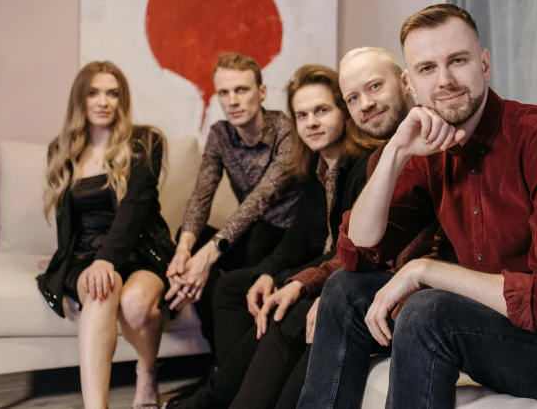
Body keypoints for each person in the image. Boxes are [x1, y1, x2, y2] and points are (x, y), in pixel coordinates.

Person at [298, 4, 537, 408]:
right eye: (427, 68)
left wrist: (424, 269)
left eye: (457, 61)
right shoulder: (430, 146)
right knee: (342, 289)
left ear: (484, 64)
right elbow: (356, 252)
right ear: (410, 84)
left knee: (429, 313)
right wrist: (395, 152)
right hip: (511, 327)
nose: (445, 80)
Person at [167, 64, 379, 409]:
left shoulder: (362, 165)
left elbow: (351, 251)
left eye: (322, 111)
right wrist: (267, 272)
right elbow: (301, 233)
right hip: (308, 259)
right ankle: (224, 387)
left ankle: (220, 394)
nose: (311, 122)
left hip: (342, 274)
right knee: (235, 287)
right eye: (303, 114)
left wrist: (292, 279)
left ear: (345, 111)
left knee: (280, 300)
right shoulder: (316, 165)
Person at [37, 61, 175, 409]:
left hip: (139, 250)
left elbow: (134, 211)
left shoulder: (146, 141)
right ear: (79, 99)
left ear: (122, 100)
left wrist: (105, 261)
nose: (104, 101)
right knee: (102, 288)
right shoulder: (61, 148)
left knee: (134, 305)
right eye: (94, 93)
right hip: (86, 257)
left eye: (113, 93)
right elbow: (68, 220)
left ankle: (147, 372)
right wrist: (66, 260)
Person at [164, 53, 302, 358]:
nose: (233, 101)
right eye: (224, 93)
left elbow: (258, 200)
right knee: (190, 239)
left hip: (287, 239)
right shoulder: (220, 134)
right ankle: (219, 357)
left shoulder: (286, 131)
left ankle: (232, 365)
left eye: (242, 90)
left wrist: (208, 255)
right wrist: (184, 251)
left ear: (261, 93)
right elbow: (201, 196)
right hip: (251, 233)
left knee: (239, 242)